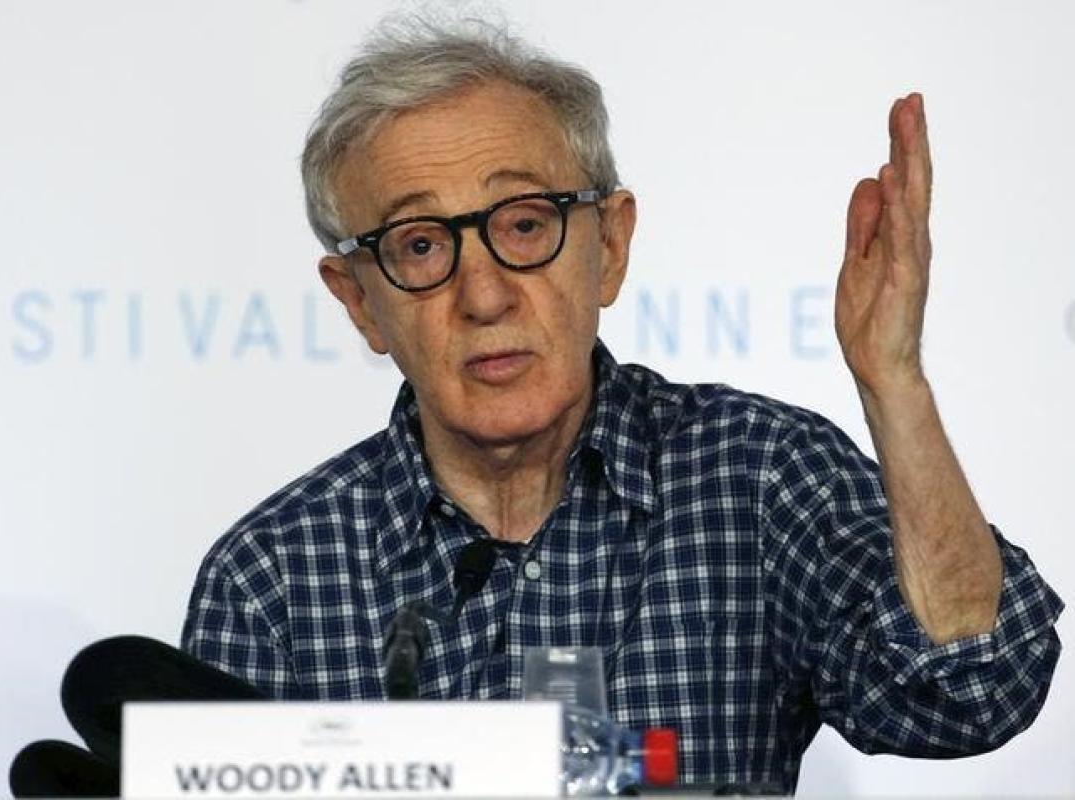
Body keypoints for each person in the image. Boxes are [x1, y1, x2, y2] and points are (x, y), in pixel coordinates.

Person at [182, 18, 1062, 792]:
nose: (483, 295)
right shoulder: (273, 579)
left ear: (609, 245)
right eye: (418, 245)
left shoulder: (757, 477)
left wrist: (893, 381)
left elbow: (973, 690)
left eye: (524, 224)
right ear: (359, 301)